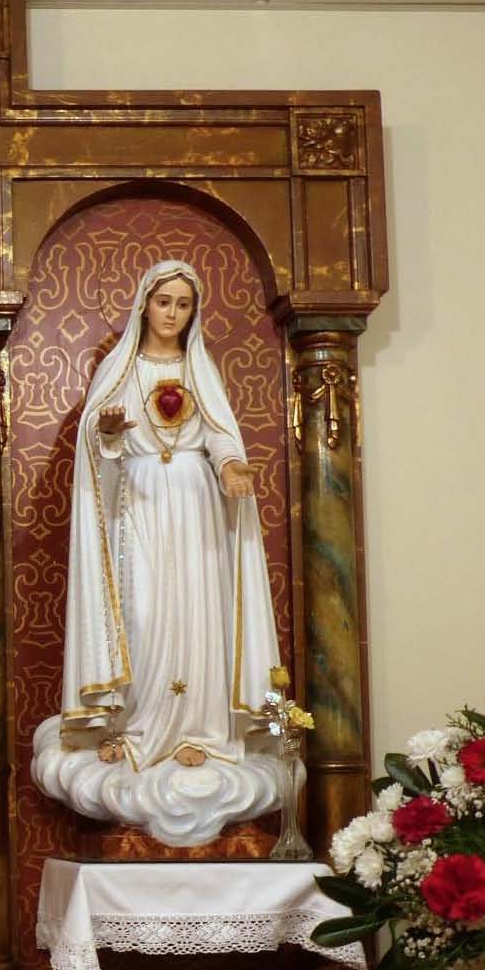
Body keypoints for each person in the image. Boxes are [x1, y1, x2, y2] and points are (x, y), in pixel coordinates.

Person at [33, 258, 284, 845]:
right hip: (140, 503)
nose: (172, 313)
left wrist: (231, 465)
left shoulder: (200, 368)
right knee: (144, 617)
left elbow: (220, 432)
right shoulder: (121, 369)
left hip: (195, 504)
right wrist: (109, 433)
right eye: (164, 301)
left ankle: (199, 734)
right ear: (144, 303)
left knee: (198, 616)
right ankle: (141, 728)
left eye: (183, 304)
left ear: (194, 312)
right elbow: (97, 445)